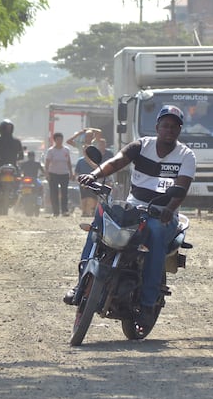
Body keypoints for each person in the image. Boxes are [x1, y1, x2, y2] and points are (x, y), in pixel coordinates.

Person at [67, 105, 196, 333]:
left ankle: (147, 304)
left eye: (174, 126)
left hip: (162, 212)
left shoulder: (186, 155)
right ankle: (80, 283)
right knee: (101, 220)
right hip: (134, 206)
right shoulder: (141, 145)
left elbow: (182, 187)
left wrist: (169, 209)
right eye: (165, 125)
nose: (169, 130)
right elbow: (116, 161)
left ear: (179, 130)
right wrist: (94, 175)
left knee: (155, 233)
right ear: (157, 127)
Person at [0, 119, 24, 207]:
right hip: (13, 166)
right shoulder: (17, 141)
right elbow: (21, 156)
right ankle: (16, 193)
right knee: (18, 179)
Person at [45, 132, 73, 217]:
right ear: (55, 140)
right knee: (54, 193)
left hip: (64, 174)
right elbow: (47, 162)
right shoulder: (51, 151)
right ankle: (55, 211)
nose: (59, 141)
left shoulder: (66, 150)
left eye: (61, 139)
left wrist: (71, 172)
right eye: (58, 139)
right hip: (53, 174)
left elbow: (68, 162)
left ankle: (64, 210)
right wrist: (47, 173)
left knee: (64, 192)